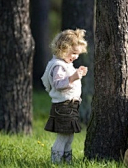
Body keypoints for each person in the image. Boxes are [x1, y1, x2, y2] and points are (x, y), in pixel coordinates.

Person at [41, 29, 88, 164]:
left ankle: (67, 162)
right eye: (73, 53)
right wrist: (73, 77)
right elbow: (57, 84)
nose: (75, 57)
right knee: (63, 137)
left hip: (71, 106)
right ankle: (55, 162)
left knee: (69, 137)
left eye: (77, 54)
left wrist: (78, 73)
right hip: (63, 107)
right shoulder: (58, 65)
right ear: (63, 48)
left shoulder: (65, 64)